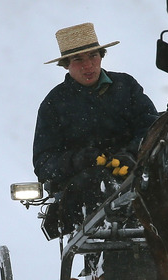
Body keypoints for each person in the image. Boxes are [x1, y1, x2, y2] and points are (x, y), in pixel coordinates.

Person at [33, 22, 158, 237]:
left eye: (93, 56)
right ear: (65, 65)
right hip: (81, 191)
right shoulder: (53, 104)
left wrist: (131, 154)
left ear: (102, 55)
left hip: (136, 176)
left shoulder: (126, 86)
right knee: (94, 183)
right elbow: (44, 163)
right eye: (78, 59)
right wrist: (78, 160)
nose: (88, 65)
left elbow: (152, 128)